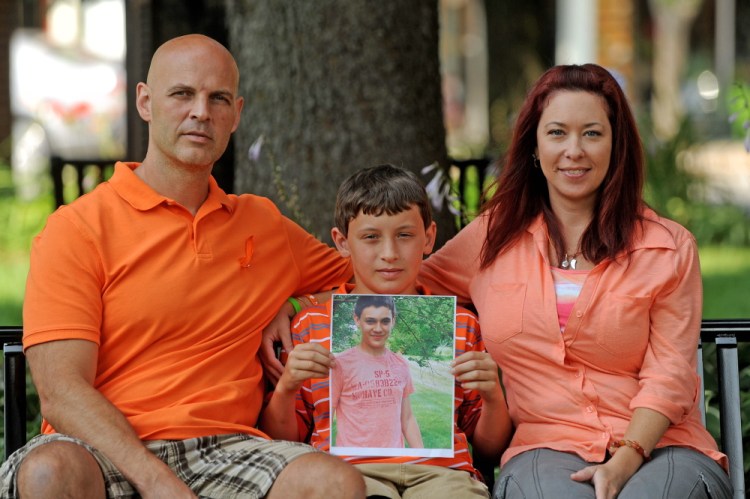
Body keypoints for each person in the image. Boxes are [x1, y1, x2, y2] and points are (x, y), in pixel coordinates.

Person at [0, 34, 365, 499]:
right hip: (102, 448)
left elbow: (376, 280)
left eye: (218, 98)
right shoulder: (77, 229)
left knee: (334, 484)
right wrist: (158, 483)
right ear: (145, 102)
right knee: (51, 472)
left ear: (237, 113)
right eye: (182, 94)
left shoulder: (263, 225)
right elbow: (61, 392)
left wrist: (295, 302)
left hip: (229, 449)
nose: (201, 112)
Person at [416, 64, 732, 499]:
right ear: (534, 145)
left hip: (664, 448)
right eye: (558, 132)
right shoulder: (492, 239)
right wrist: (289, 303)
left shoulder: (667, 248)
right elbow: (399, 283)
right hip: (544, 447)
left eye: (592, 133)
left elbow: (670, 375)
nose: (574, 150)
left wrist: (625, 461)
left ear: (616, 145)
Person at [260, 164, 512, 498]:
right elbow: (285, 441)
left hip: (443, 476)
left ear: (429, 238)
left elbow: (490, 449)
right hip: (350, 472)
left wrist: (493, 394)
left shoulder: (461, 324)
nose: (389, 254)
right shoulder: (311, 327)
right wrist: (287, 387)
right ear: (342, 242)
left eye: (404, 235)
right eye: (371, 237)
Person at [331, 295, 423, 450]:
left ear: (393, 320)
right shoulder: (340, 364)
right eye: (370, 321)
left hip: (395, 461)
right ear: (357, 320)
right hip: (355, 462)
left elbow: (407, 419)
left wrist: (423, 458)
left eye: (385, 321)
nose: (378, 328)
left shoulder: (400, 364)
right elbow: (326, 418)